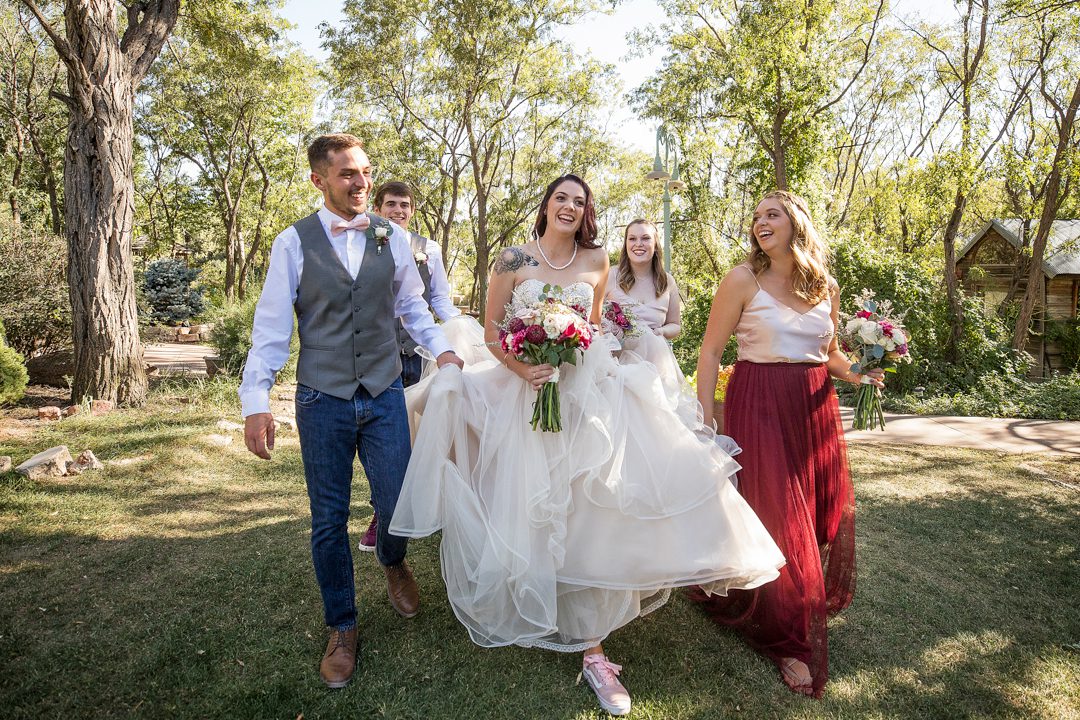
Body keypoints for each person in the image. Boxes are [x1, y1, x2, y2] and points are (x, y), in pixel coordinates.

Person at [389, 174, 785, 716]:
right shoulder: (510, 260)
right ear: (546, 204)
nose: (571, 207)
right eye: (561, 198)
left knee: (588, 502)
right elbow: (489, 331)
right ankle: (536, 590)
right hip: (523, 390)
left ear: (587, 211)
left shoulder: (598, 261)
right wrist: (523, 365)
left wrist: (588, 350)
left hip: (584, 392)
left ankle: (593, 644)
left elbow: (594, 325)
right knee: (529, 492)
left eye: (580, 201)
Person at [239, 134, 464, 690]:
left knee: (396, 501)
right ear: (319, 180)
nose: (362, 183)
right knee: (328, 520)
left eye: (365, 172)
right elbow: (271, 327)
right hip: (323, 398)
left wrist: (443, 348)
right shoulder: (292, 243)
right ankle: (342, 625)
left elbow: (412, 303)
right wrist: (255, 402)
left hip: (386, 390)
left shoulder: (392, 236)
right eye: (347, 175)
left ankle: (392, 560)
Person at [691, 190, 884, 698]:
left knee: (817, 512)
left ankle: (791, 594)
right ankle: (788, 640)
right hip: (760, 401)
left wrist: (862, 373)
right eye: (755, 217)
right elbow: (711, 352)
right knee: (779, 513)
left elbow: (831, 354)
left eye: (771, 214)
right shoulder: (741, 279)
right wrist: (707, 416)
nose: (760, 223)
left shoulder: (826, 285)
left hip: (814, 406)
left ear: (796, 222)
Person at [356, 180, 461, 553]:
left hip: (419, 353)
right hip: (377, 355)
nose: (398, 211)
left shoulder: (427, 248)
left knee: (420, 436)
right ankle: (381, 514)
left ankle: (425, 507)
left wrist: (461, 332)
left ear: (412, 210)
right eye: (390, 204)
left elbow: (439, 300)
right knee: (384, 440)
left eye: (404, 205)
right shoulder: (361, 240)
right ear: (378, 207)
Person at [607, 218, 681, 339]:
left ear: (656, 244)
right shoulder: (611, 275)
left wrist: (661, 331)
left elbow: (675, 325)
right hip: (615, 356)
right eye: (632, 239)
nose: (638, 244)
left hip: (655, 354)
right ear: (626, 244)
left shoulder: (667, 281)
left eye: (645, 238)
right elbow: (593, 318)